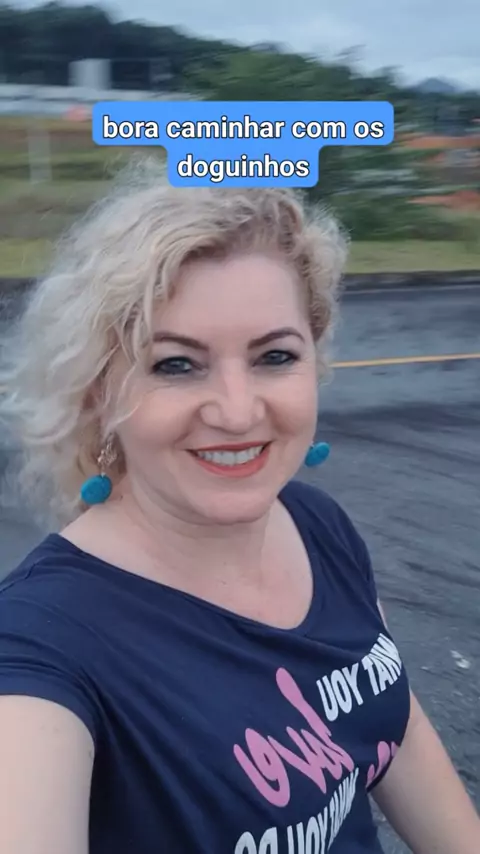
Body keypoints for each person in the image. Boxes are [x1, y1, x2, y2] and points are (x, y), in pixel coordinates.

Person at [0, 165, 478, 854]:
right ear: (99, 392)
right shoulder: (42, 645)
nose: (236, 411)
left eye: (274, 356)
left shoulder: (317, 527)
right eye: (176, 364)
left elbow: (388, 725)